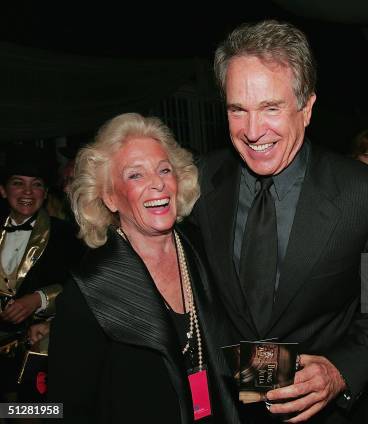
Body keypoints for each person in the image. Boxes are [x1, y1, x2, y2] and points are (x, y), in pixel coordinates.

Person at [190, 20, 368, 423]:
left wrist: (341, 371)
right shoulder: (201, 181)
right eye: (238, 110)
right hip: (226, 408)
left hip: (324, 414)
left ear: (306, 108)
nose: (253, 131)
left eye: (271, 108)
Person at [48, 113, 240, 423]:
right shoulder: (89, 295)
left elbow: (234, 346)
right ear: (110, 196)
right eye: (135, 175)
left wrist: (296, 375)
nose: (157, 183)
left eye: (164, 169)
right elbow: (64, 411)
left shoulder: (206, 253)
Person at [0, 147, 82, 402]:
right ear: (3, 191)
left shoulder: (69, 235)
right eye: (18, 184)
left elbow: (84, 288)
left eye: (35, 185)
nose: (26, 192)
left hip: (40, 346)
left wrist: (39, 299)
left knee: (31, 412)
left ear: (45, 194)